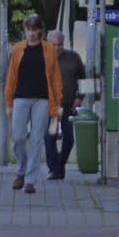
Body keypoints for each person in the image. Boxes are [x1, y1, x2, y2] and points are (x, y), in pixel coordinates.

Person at [5, 13, 62, 194]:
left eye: (34, 30)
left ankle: (30, 180)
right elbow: (11, 77)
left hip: (42, 99)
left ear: (40, 32)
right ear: (25, 30)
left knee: (37, 140)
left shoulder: (48, 50)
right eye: (28, 29)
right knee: (18, 137)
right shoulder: (17, 49)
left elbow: (55, 78)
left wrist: (56, 104)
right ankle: (21, 169)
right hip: (20, 97)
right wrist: (8, 103)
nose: (31, 33)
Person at [44, 29, 86, 180]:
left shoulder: (73, 57)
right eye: (53, 45)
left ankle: (59, 166)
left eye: (59, 45)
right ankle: (54, 169)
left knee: (69, 139)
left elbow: (83, 78)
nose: (56, 49)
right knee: (50, 137)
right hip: (50, 106)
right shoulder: (43, 59)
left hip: (68, 106)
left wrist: (80, 98)